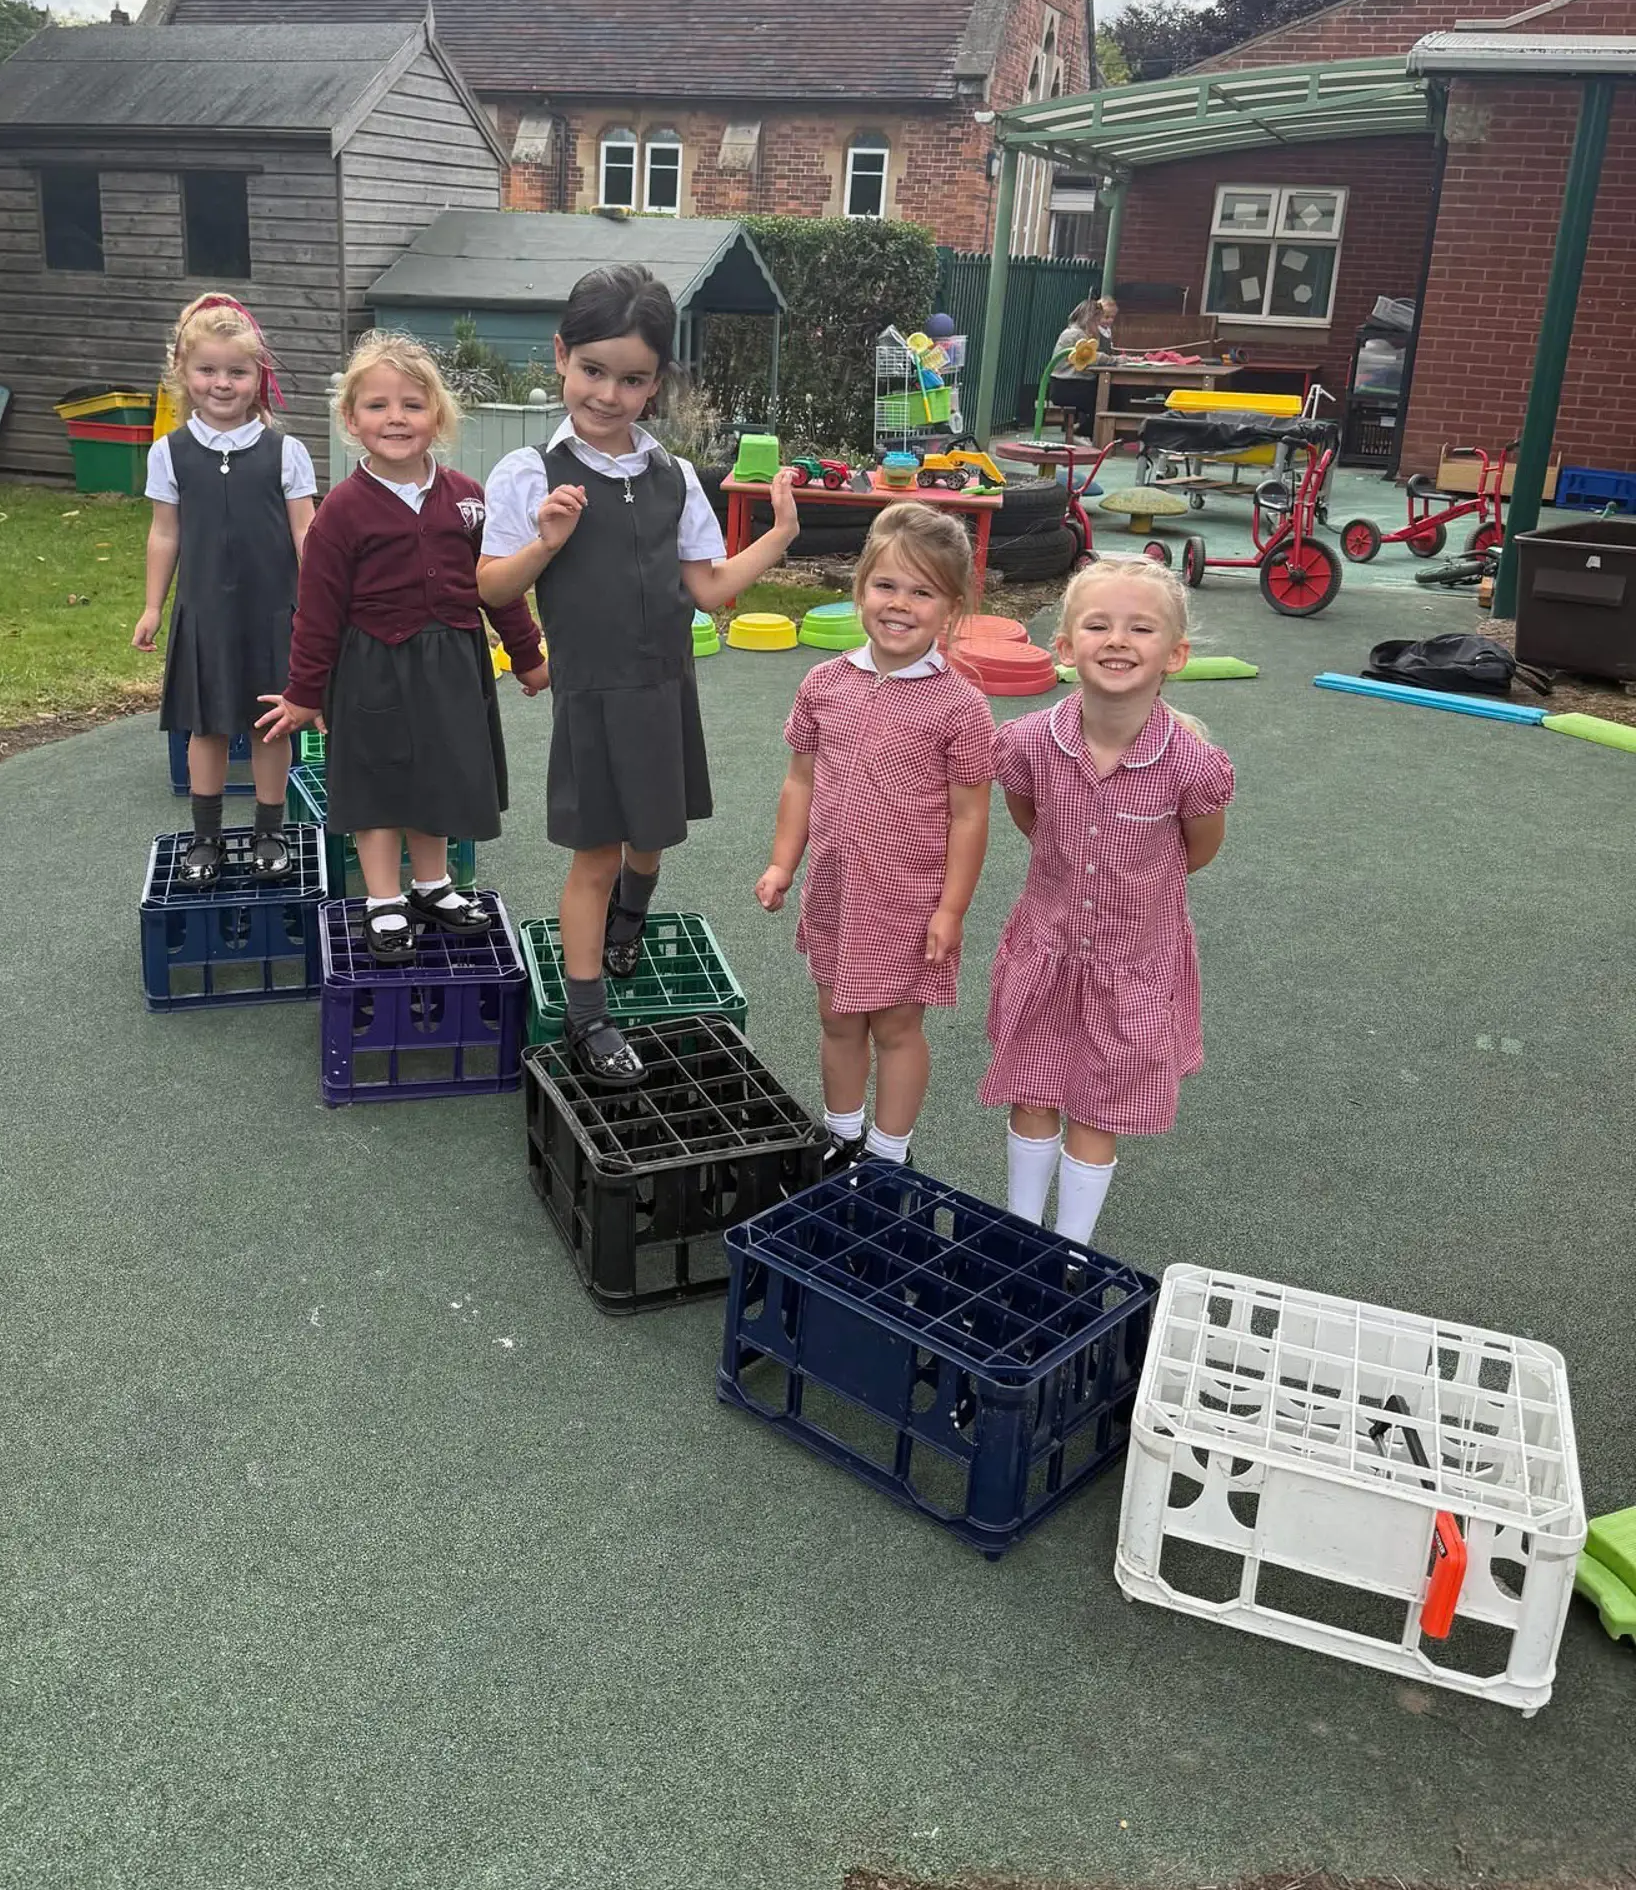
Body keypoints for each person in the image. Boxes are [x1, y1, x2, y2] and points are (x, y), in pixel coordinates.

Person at [477, 264, 797, 1084]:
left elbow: (709, 587)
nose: (610, 395)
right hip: (589, 697)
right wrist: (545, 541)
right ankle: (588, 1016)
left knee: (651, 836)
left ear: (656, 385)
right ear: (560, 356)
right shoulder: (526, 473)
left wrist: (780, 535)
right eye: (593, 371)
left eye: (633, 379)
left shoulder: (675, 476)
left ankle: (632, 914)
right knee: (594, 853)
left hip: (665, 689)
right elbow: (490, 588)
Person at [256, 333, 547, 961]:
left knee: (437, 776)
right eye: (378, 406)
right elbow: (318, 610)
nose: (396, 418)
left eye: (412, 405)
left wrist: (527, 657)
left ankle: (432, 884)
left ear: (437, 417)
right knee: (379, 783)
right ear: (351, 420)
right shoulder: (341, 511)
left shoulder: (469, 498)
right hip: (372, 671)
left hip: (453, 667)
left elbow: (498, 588)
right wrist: (306, 692)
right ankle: (383, 899)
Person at [980, 555, 1231, 1246]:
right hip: (1048, 953)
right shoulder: (1031, 741)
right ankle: (1020, 1236)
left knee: (1097, 1108)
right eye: (1097, 625)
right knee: (1034, 1094)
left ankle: (1070, 1250)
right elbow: (1030, 819)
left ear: (1174, 654)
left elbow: (1198, 850)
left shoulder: (1191, 763)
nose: (1118, 640)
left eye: (1141, 628)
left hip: (1133, 967)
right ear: (1064, 647)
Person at [755, 504, 997, 1171]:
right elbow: (801, 780)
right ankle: (843, 1135)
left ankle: (889, 1154)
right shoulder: (825, 683)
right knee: (837, 1017)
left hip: (907, 902)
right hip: (836, 890)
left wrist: (951, 910)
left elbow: (970, 816)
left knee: (894, 1026)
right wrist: (783, 864)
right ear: (860, 589)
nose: (900, 604)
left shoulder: (960, 706)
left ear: (951, 607)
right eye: (886, 585)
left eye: (922, 592)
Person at [135, 294, 316, 884]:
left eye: (237, 371)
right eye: (207, 370)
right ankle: (206, 840)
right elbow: (165, 534)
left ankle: (270, 834)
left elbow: (306, 534)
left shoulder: (286, 451)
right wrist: (153, 607)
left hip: (273, 614)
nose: (222, 383)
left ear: (257, 376)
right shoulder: (169, 452)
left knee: (272, 724)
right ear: (183, 375)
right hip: (205, 613)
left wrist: (320, 607)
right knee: (207, 726)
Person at [1044, 294, 1118, 437]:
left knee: (1109, 393)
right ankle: (1088, 432)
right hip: (1067, 386)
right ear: (1089, 319)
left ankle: (1088, 431)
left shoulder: (1077, 332)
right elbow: (1092, 356)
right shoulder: (1076, 334)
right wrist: (1116, 360)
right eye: (1097, 321)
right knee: (1107, 396)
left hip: (1070, 383)